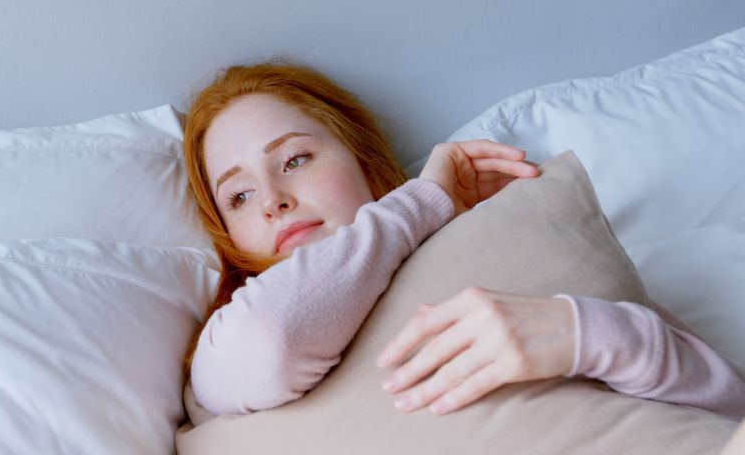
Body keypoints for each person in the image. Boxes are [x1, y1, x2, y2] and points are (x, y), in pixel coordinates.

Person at [182, 60, 745, 421]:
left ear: (364, 162)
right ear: (228, 238)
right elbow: (265, 345)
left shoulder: (505, 231)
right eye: (237, 197)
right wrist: (422, 203)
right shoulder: (225, 348)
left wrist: (583, 332)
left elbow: (730, 404)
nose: (272, 199)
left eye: (295, 159)